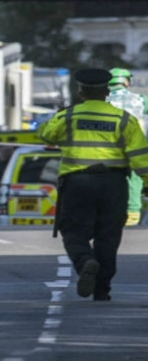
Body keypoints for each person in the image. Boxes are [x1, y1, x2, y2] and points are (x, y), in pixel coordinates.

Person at [39, 68, 148, 301]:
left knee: (73, 232)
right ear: (106, 92)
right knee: (108, 236)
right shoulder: (124, 119)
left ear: (81, 91)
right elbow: (140, 156)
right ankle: (102, 289)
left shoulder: (68, 116)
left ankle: (85, 261)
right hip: (114, 184)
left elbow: (46, 136)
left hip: (77, 183)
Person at [107, 68, 148, 226]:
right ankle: (132, 216)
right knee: (134, 182)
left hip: (107, 151)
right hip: (134, 151)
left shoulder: (100, 100)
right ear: (126, 82)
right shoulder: (140, 99)